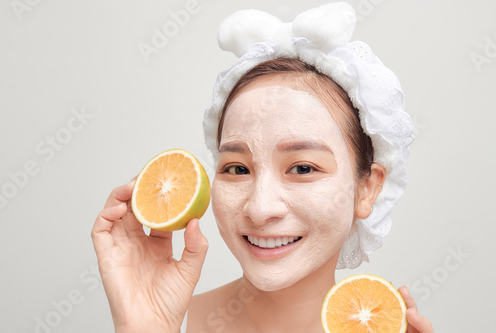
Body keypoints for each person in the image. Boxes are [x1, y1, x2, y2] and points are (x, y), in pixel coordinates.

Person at [90, 3, 433, 332]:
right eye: (237, 169)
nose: (259, 208)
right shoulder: (166, 323)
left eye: (302, 168)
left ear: (367, 188)